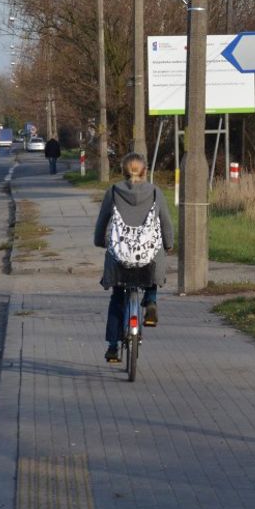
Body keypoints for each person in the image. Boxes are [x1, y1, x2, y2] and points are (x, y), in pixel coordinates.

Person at [92, 152, 174, 363]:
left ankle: (112, 346)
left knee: (117, 298)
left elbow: (102, 221)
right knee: (153, 263)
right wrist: (169, 244)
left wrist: (100, 241)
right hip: (147, 260)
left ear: (123, 171)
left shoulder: (113, 191)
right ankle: (152, 301)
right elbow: (165, 223)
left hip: (120, 258)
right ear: (145, 170)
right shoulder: (156, 192)